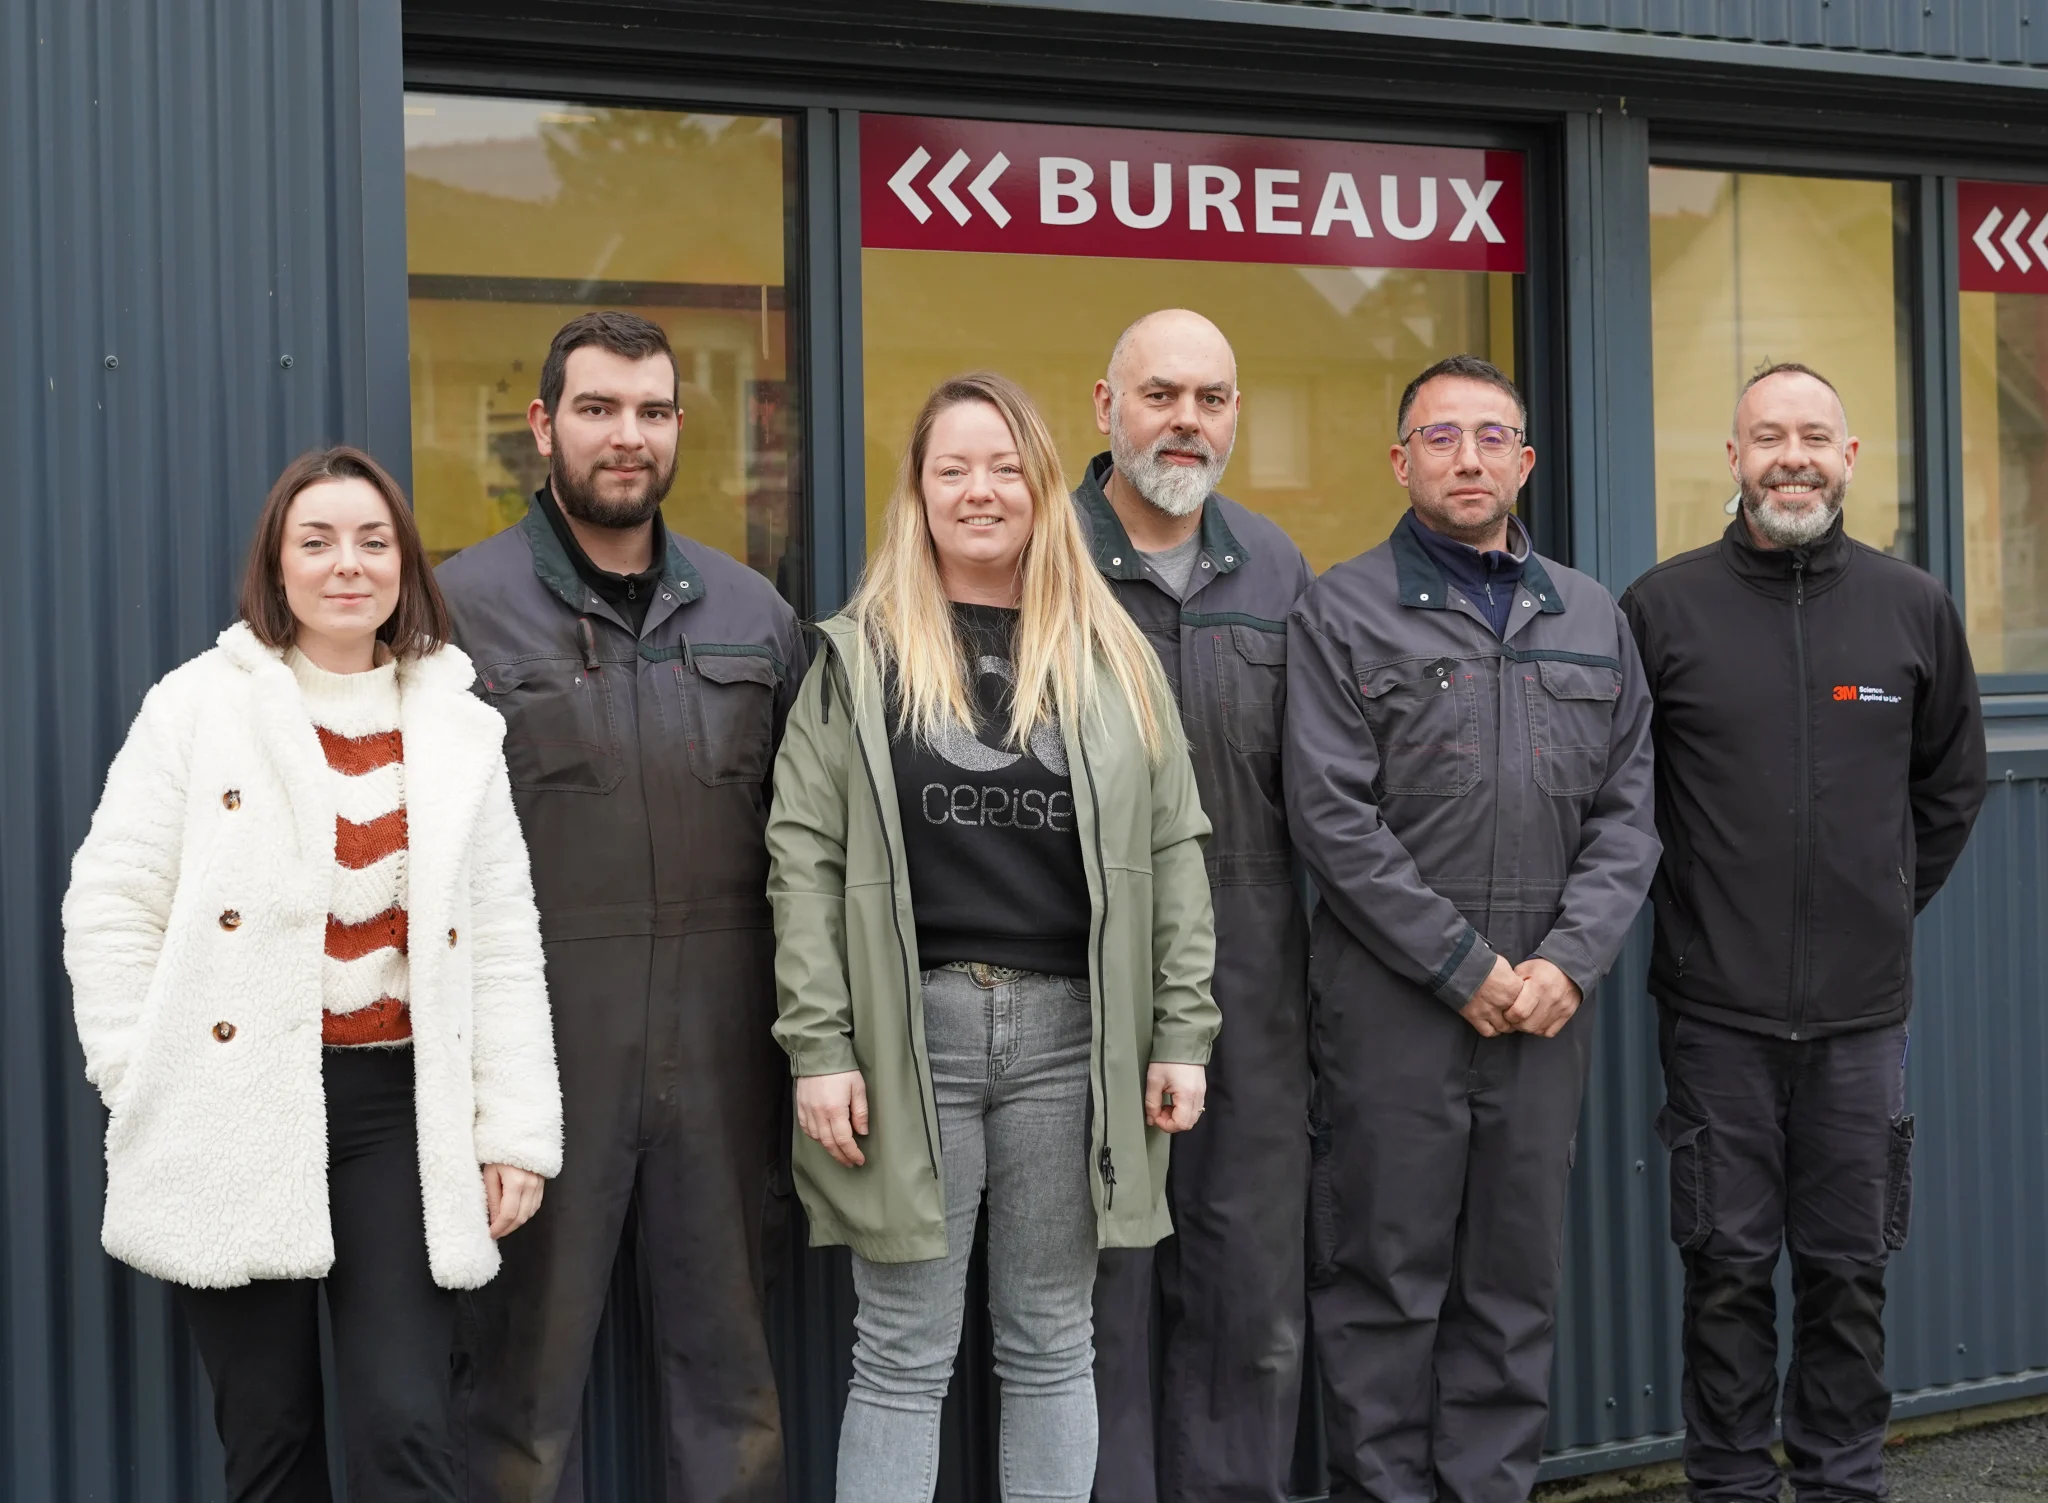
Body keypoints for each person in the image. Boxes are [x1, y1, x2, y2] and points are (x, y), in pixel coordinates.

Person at [62, 446, 561, 1501]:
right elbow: (111, 903)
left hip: (397, 1110)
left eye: (374, 542)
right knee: (271, 1435)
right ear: (276, 567)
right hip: (234, 1102)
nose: (349, 565)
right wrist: (140, 1077)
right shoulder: (197, 707)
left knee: (405, 1426)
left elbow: (505, 939)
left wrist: (511, 1127)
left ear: (406, 566)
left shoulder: (461, 729)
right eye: (318, 541)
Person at [766, 372, 1220, 1503]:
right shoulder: (858, 657)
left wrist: (1181, 1034)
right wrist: (819, 1049)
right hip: (905, 1040)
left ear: (1042, 486)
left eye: (1004, 467)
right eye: (951, 469)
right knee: (901, 1356)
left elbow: (1174, 854)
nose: (980, 491)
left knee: (1050, 1343)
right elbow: (802, 861)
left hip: (1073, 1040)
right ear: (916, 495)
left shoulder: (1113, 659)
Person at [438, 311, 806, 1502]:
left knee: (734, 1395)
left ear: (678, 428)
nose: (626, 437)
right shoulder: (456, 615)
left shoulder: (755, 617)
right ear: (544, 427)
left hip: (723, 1054)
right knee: (520, 1402)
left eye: (651, 411)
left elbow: (812, 854)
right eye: (597, 409)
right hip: (543, 1059)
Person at [1285, 355, 1659, 1502]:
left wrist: (1564, 964)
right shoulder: (1340, 609)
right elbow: (1329, 816)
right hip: (1391, 1008)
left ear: (1524, 461)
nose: (1467, 457)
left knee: (1510, 1288)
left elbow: (1627, 810)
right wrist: (1462, 968)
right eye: (1439, 437)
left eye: (1491, 436)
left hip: (1544, 1008)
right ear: (1399, 462)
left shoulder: (1589, 614)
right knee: (1381, 1285)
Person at [1621, 363, 1985, 1503]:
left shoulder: (1911, 606)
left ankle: (1840, 1482)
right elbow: (1624, 802)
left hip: (1858, 1021)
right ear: (1730, 457)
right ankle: (1727, 1484)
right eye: (1767, 435)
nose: (1791, 455)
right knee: (1722, 1272)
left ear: (1849, 457)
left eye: (1812, 436)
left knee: (1845, 1273)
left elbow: (1950, 787)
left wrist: (1875, 902)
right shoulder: (1660, 609)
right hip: (1712, 1016)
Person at [1076, 310, 1317, 1503]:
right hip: (1076, 992)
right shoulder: (1034, 556)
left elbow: (1319, 793)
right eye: (1160, 393)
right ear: (1103, 408)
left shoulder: (1272, 566)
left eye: (1210, 398)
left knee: (1247, 1298)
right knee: (1091, 1309)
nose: (1185, 420)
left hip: (1252, 993)